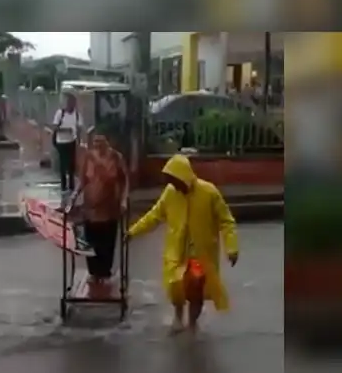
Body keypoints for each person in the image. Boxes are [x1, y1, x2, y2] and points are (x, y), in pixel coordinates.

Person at [126, 154, 238, 335]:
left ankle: (192, 323)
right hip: (176, 252)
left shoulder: (209, 192)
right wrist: (132, 232)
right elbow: (154, 216)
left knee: (195, 290)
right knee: (176, 288)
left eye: (174, 179)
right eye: (169, 179)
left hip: (200, 254)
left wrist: (231, 247)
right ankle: (178, 317)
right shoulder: (170, 193)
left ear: (184, 176)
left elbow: (227, 221)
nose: (171, 183)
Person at [69, 132, 128, 284]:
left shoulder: (116, 157)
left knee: (107, 243)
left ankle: (105, 273)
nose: (98, 145)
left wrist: (123, 200)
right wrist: (74, 195)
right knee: (91, 242)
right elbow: (82, 180)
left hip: (109, 208)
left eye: (101, 142)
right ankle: (94, 274)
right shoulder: (89, 157)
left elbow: (124, 181)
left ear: (107, 142)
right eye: (95, 142)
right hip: (91, 208)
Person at [49, 92, 84, 193]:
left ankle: (71, 185)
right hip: (61, 142)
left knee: (71, 164)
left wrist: (79, 139)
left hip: (71, 141)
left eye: (73, 103)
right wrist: (65, 130)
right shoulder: (60, 113)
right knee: (63, 164)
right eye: (69, 102)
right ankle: (63, 186)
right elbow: (55, 127)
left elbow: (79, 128)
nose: (71, 105)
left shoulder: (77, 115)